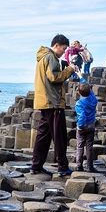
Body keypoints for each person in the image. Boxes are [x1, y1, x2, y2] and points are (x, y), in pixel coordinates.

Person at [30, 34, 75, 176]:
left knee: (43, 136)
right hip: (53, 103)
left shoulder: (43, 57)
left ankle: (36, 166)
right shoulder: (51, 57)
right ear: (56, 45)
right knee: (60, 136)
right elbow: (54, 77)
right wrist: (70, 70)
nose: (64, 52)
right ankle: (62, 167)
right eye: (63, 48)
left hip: (44, 102)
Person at [72, 83, 99, 172]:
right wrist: (80, 75)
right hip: (91, 125)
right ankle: (90, 166)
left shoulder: (79, 103)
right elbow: (89, 90)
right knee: (89, 146)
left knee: (80, 146)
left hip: (82, 127)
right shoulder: (93, 99)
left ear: (79, 93)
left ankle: (79, 165)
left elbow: (82, 116)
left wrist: (80, 126)